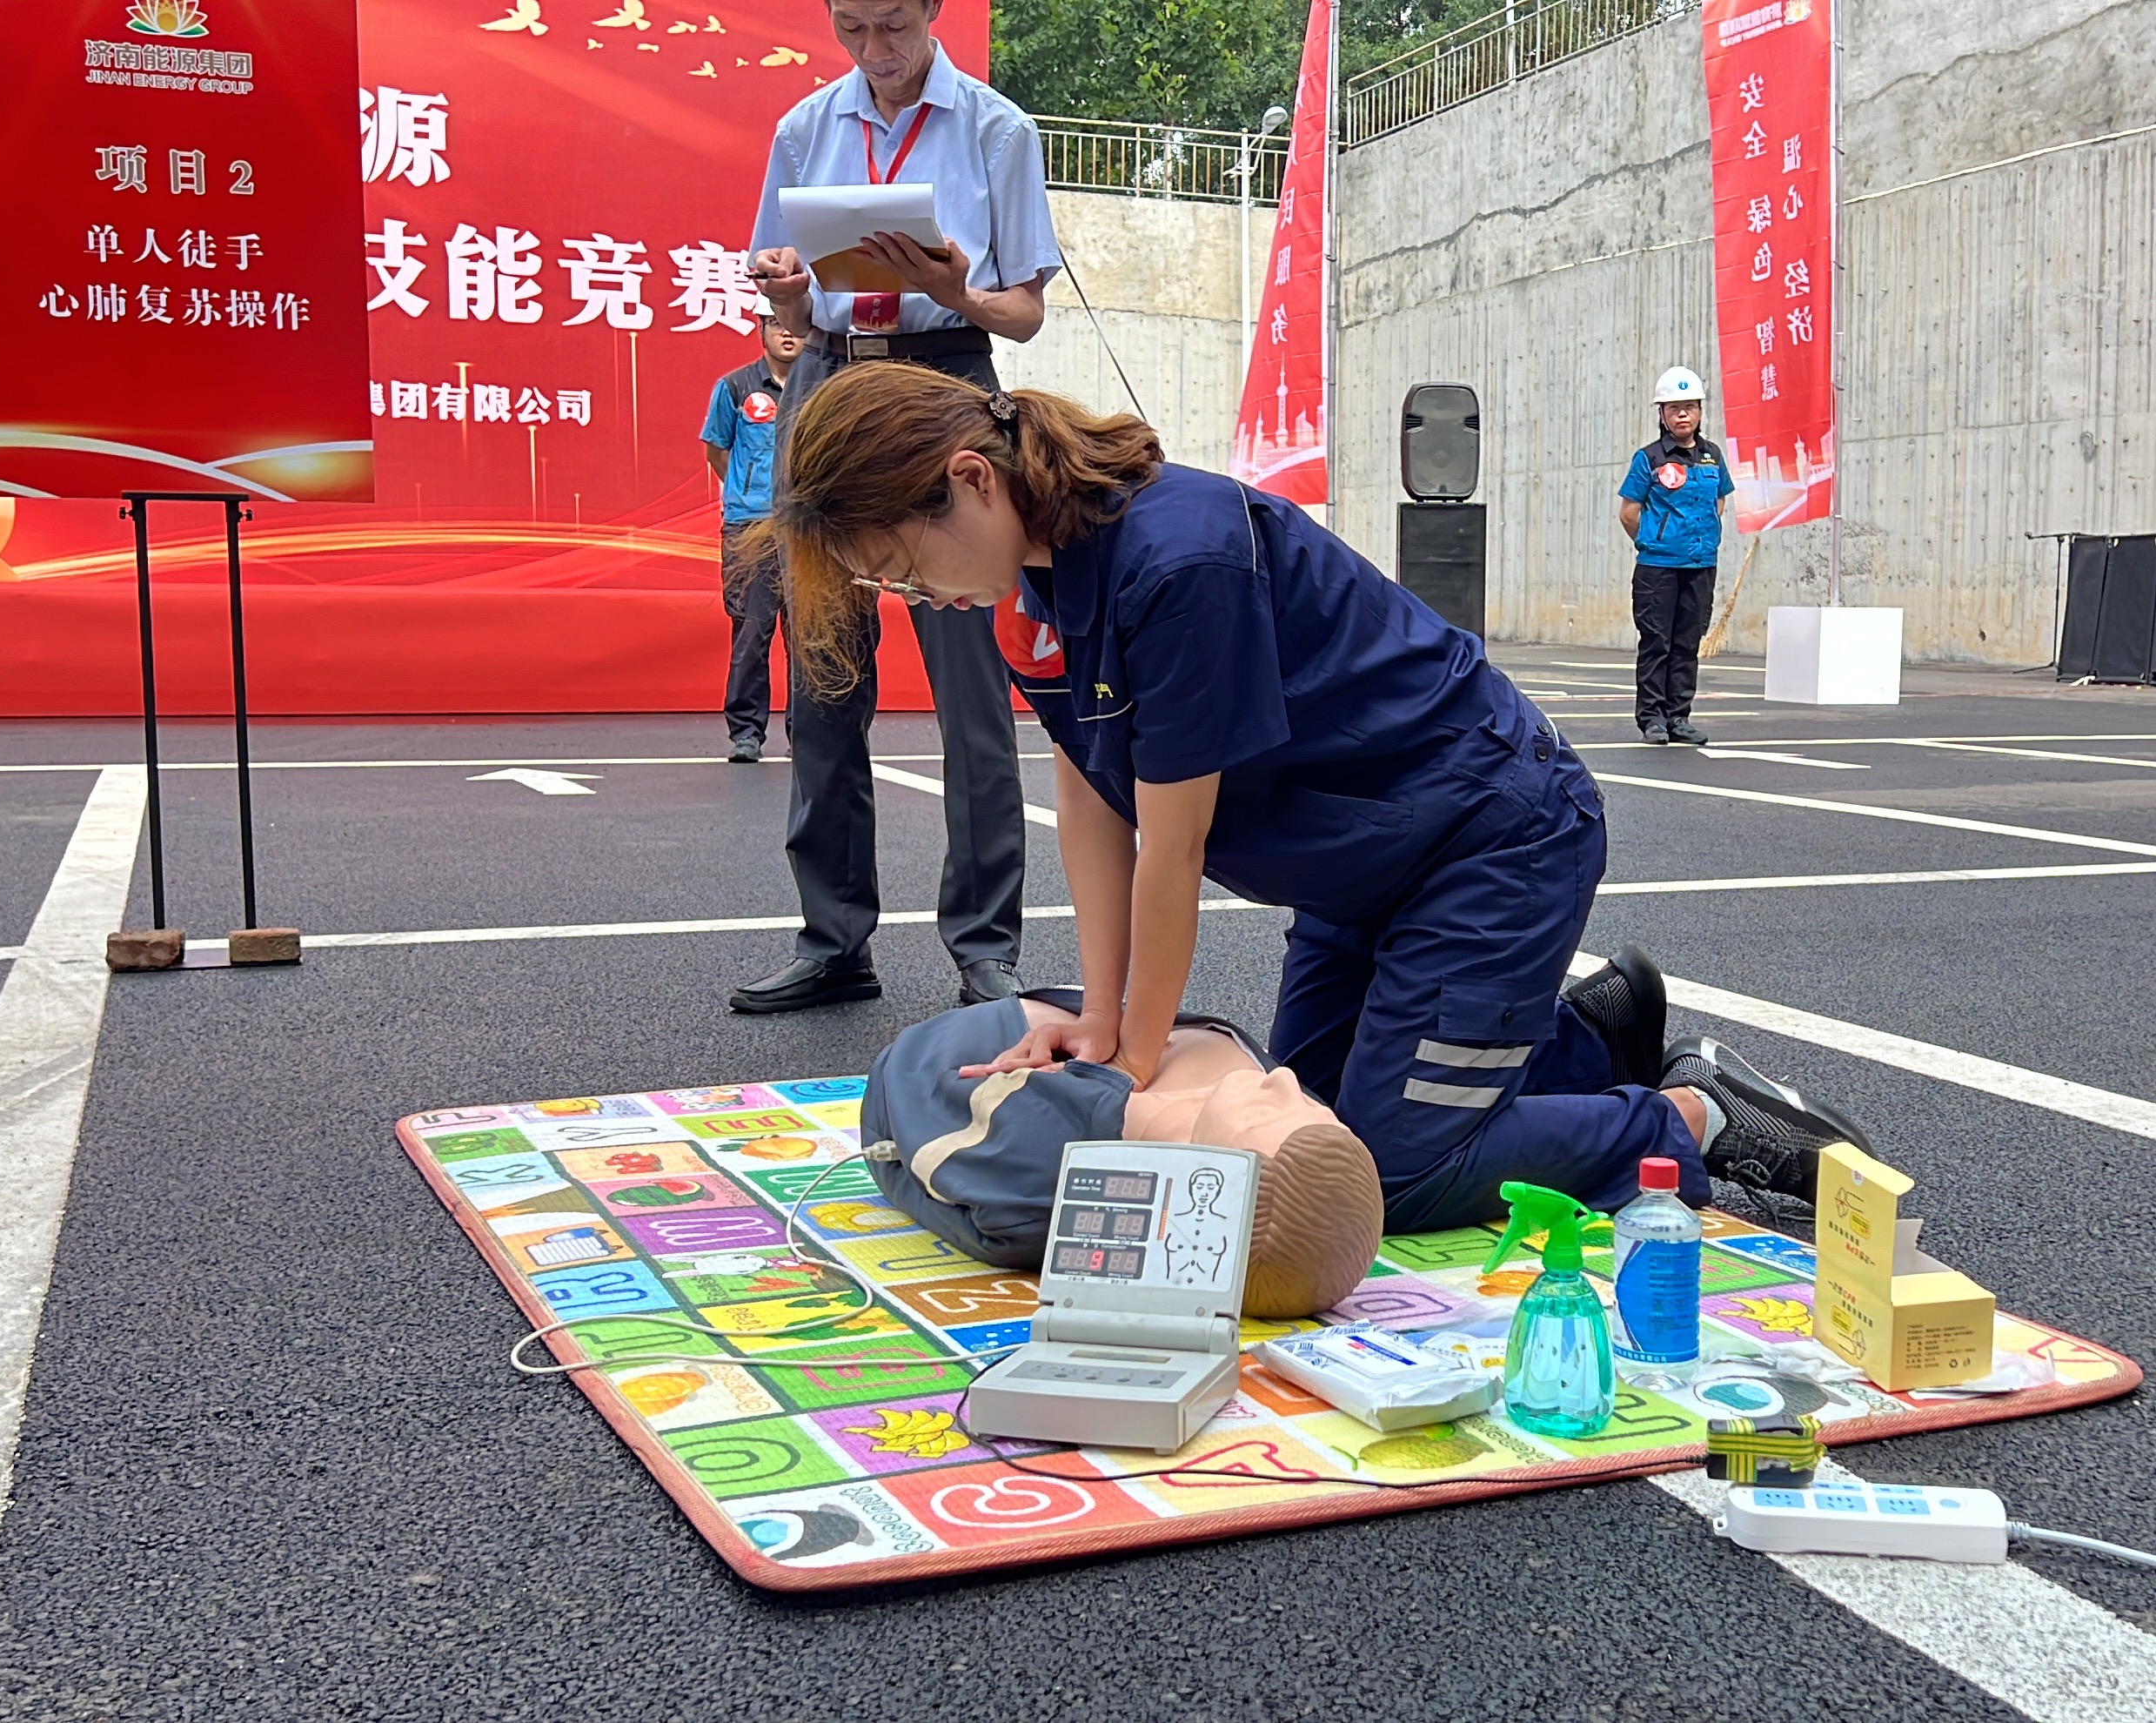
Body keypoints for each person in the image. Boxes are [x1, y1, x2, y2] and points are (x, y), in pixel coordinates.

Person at [765, 364, 1868, 1232]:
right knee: (1313, 1129)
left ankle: (1694, 1117)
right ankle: (1584, 1042)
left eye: (901, 567)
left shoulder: (1174, 561)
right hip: (1362, 870)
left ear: (970, 478)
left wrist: (1133, 1060)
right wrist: (1099, 1021)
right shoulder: (1027, 596)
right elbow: (1095, 809)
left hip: (1489, 839)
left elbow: (1172, 847)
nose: (912, 597)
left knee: (1387, 1171)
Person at [726, 0, 1064, 1015]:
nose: (875, 53)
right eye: (852, 28)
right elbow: (787, 298)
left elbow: (1023, 314)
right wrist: (785, 291)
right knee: (823, 676)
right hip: (829, 384)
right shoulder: (804, 127)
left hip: (943, 382)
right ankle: (833, 939)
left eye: (893, 27)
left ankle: (985, 946)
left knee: (970, 682)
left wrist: (956, 290)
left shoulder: (997, 129)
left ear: (932, 10)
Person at [859, 990, 1384, 1317]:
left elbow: (892, 1121)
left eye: (1267, 1113)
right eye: (1315, 1109)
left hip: (995, 1040)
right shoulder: (1263, 1108)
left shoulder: (1035, 1172)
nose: (1285, 1080)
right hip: (1095, 1019)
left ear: (1212, 1179)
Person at [1617, 366, 1737, 748]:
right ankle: (1652, 718)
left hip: (1700, 566)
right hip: (1658, 568)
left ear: (1700, 411)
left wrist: (1700, 540)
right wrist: (1656, 541)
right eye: (1674, 408)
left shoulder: (1712, 456)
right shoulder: (1649, 458)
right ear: (1662, 414)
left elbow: (1719, 502)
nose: (1683, 414)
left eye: (1690, 407)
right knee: (1657, 643)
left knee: (1687, 643)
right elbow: (1629, 512)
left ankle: (1678, 717)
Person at [705, 320, 805, 764]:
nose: (787, 333)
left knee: (807, 635)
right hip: (750, 528)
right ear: (762, 330)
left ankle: (806, 733)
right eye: (776, 324)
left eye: (795, 325)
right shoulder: (735, 387)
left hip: (805, 527)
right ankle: (746, 731)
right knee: (751, 630)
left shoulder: (820, 387)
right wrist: (747, 492)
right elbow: (717, 449)